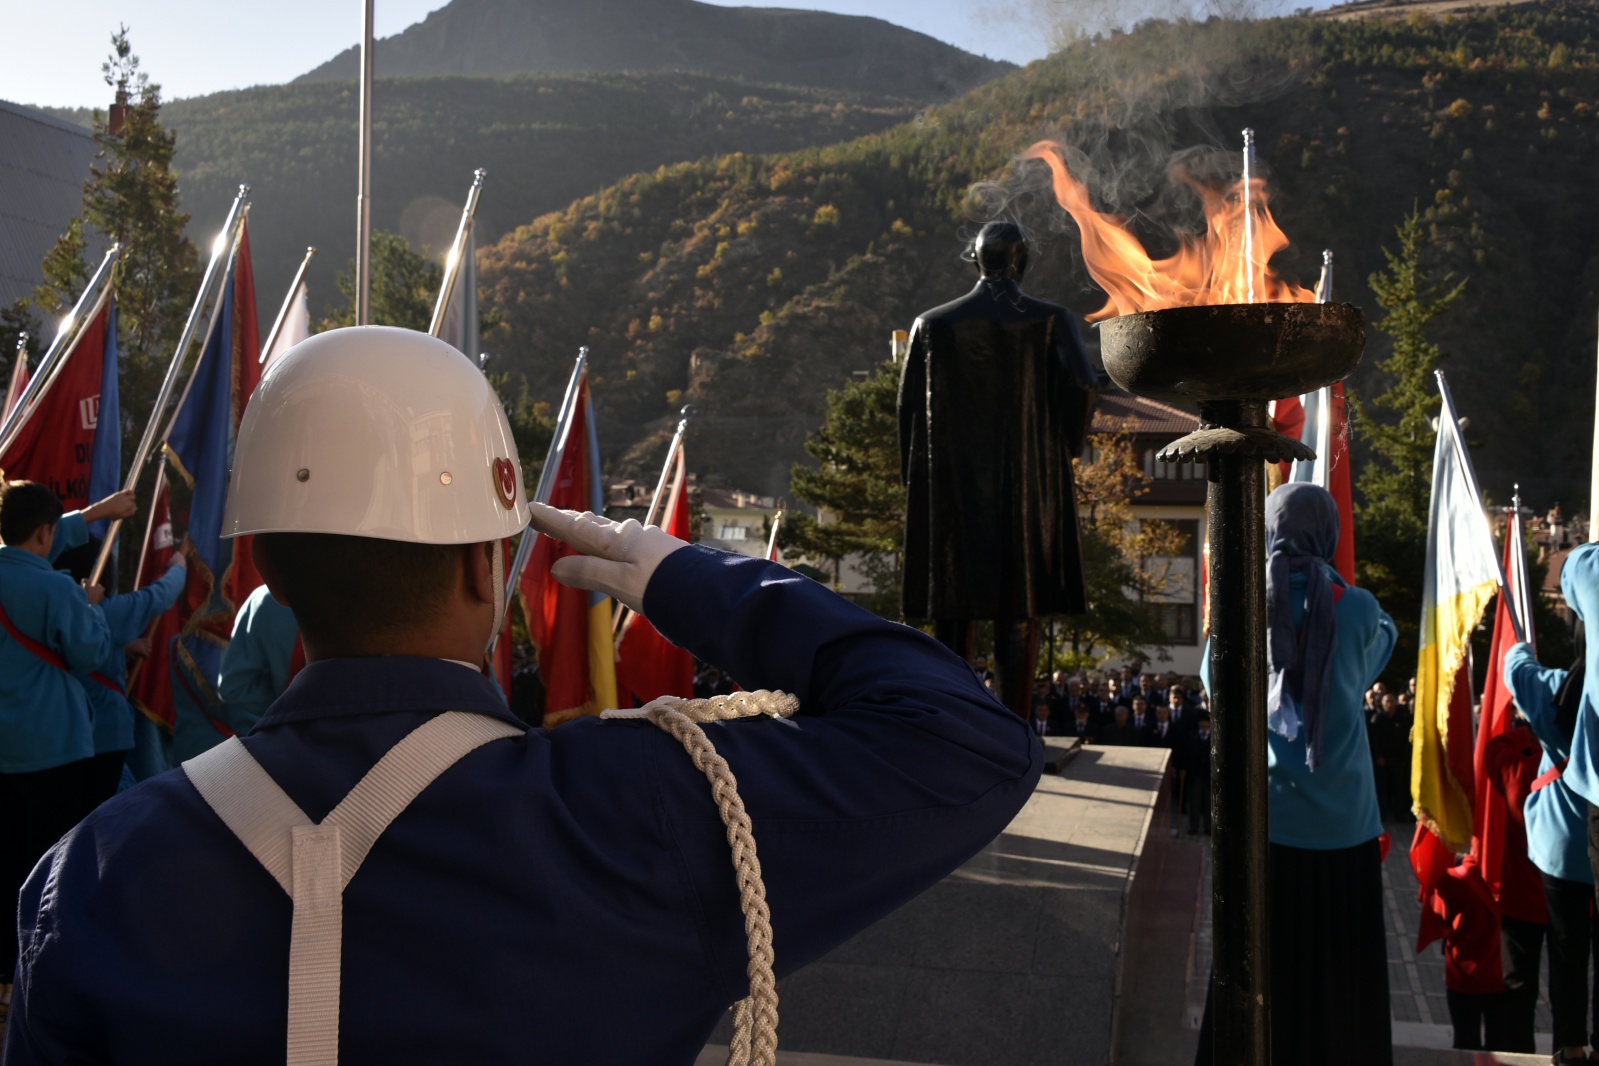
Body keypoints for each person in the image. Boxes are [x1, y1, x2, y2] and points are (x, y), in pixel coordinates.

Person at [4, 327, 1043, 1065]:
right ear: (484, 571)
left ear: (262, 557)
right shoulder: (639, 814)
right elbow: (966, 736)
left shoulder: (91, 872)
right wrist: (685, 575)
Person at [1195, 483, 1396, 1066]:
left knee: (1258, 973)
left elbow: (1213, 683)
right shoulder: (1355, 607)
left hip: (1269, 823)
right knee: (1342, 981)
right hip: (1345, 830)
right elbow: (1378, 653)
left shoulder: (1241, 605)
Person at [0, 482, 135, 1012]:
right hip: (51, 744)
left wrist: (92, 514)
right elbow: (89, 652)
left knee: (6, 857)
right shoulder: (57, 590)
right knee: (52, 868)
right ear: (46, 532)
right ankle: (46, 972)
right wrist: (92, 606)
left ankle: (6, 976)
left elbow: (29, 553)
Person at [1505, 630, 1597, 1065]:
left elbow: (1514, 668)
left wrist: (1525, 649)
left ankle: (1571, 1046)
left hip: (1562, 845)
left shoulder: (1559, 687)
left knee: (1567, 950)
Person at [79, 551, 188, 804]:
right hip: (105, 734)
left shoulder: (58, 605)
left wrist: (122, 645)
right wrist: (180, 568)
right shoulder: (104, 611)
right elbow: (156, 597)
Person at [216, 584, 302, 736]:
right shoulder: (357, 596)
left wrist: (285, 697)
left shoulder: (267, 599)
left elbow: (234, 686)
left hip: (292, 740)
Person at [1368, 692, 1411, 822]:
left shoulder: (1401, 719)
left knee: (1399, 788)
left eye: (1392, 701)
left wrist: (1404, 759)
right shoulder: (1377, 720)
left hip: (1397, 760)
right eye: (1386, 701)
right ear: (1382, 704)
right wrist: (1378, 756)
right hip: (1382, 761)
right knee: (1382, 789)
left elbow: (1406, 740)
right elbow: (1373, 740)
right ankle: (1381, 815)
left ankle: (1400, 815)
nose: (1389, 704)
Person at [1184, 714, 1212, 835]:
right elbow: (1186, 753)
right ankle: (1193, 826)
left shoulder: (1216, 736)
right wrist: (1184, 769)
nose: (1204, 725)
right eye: (1202, 722)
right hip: (1195, 774)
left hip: (1210, 775)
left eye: (1206, 722)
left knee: (1209, 803)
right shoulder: (1192, 735)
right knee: (1194, 803)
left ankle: (1209, 827)